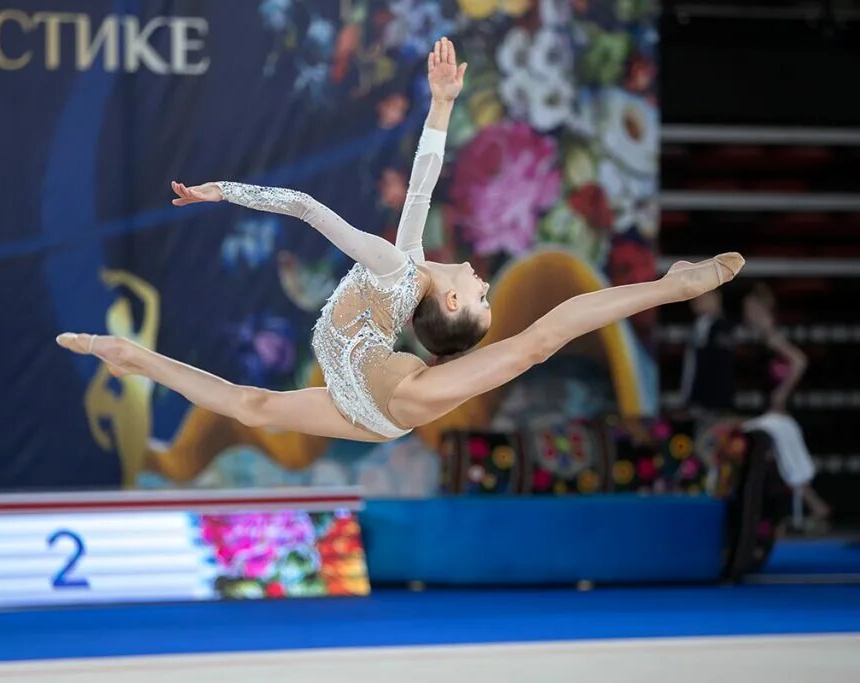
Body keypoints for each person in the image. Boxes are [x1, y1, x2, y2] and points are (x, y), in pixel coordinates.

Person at [57, 37, 744, 445]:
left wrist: (224, 191)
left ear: (447, 298)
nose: (482, 279)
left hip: (383, 402)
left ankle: (672, 285)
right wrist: (441, 106)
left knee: (535, 344)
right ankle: (129, 356)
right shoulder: (407, 262)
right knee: (253, 406)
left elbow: (303, 205)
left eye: (478, 294)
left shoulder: (393, 266)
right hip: (369, 401)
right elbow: (422, 182)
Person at [741, 283, 831, 525]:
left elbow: (799, 361)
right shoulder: (764, 337)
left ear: (761, 310)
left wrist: (782, 392)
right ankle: (812, 506)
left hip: (776, 414)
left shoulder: (772, 337)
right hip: (770, 412)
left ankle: (806, 507)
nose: (747, 315)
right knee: (786, 460)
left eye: (750, 309)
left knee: (785, 458)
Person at [680, 288, 737, 414]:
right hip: (697, 396)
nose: (695, 301)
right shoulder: (698, 325)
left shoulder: (723, 327)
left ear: (715, 299)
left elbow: (720, 365)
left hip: (714, 398)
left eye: (702, 297)